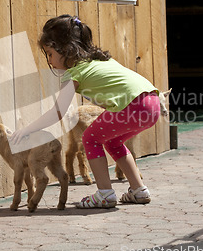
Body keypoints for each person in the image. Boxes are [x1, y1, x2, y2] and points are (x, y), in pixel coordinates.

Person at [10, 14, 161, 208]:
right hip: (152, 103)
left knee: (90, 138)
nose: (49, 60)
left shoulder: (75, 72)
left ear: (64, 49)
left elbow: (58, 112)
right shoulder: (102, 61)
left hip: (134, 105)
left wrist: (26, 130)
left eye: (49, 53)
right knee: (113, 141)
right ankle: (139, 190)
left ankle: (105, 194)